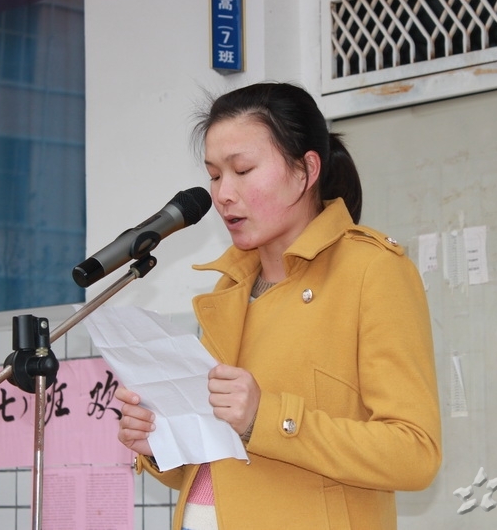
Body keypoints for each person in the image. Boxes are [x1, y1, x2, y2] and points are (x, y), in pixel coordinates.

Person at [115, 82, 441, 530]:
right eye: (214, 175)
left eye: (243, 170)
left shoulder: (372, 271)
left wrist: (266, 418)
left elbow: (415, 453)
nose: (223, 194)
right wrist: (160, 441)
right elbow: (223, 461)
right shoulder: (229, 287)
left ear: (306, 170)